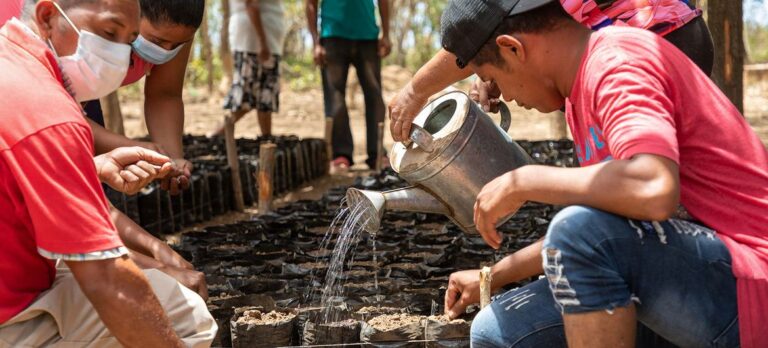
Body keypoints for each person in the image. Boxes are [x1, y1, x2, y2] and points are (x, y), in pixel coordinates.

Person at [438, 0, 768, 347]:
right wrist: (492, 277)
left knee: (578, 230)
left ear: (513, 48)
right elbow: (612, 229)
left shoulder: (616, 62)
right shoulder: (579, 93)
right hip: (687, 281)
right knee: (497, 330)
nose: (502, 95)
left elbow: (654, 187)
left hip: (751, 284)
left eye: (493, 79)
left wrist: (525, 180)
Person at [0, 0, 216, 346]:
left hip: (15, 278)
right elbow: (105, 280)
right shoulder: (50, 116)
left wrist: (91, 167)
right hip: (12, 311)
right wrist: (157, 265)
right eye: (108, 33)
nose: (119, 56)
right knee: (186, 318)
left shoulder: (10, 57)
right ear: (47, 16)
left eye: (127, 40)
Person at [388, 0, 713, 143]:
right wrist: (491, 66)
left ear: (514, 49)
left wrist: (416, 89)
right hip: (671, 32)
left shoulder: (616, 71)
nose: (509, 95)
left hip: (657, 37)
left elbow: (651, 188)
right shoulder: (584, 75)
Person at [306, 0, 392, 170]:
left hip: (367, 35)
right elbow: (310, 4)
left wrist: (386, 34)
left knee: (374, 94)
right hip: (332, 36)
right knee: (334, 97)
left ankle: (377, 153)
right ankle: (341, 154)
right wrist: (316, 41)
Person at [209, 0, 286, 138]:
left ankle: (266, 138)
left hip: (264, 42)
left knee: (265, 96)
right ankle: (217, 133)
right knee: (246, 96)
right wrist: (262, 42)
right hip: (253, 42)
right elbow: (251, 4)